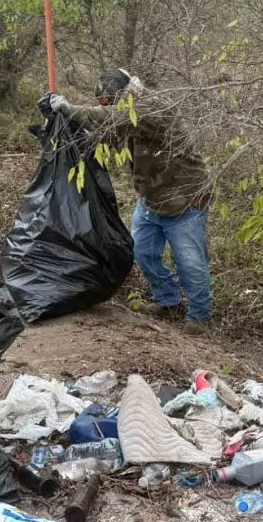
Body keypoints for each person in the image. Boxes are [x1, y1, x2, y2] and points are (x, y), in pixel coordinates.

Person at [44, 69, 212, 335]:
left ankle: (199, 317)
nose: (109, 107)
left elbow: (114, 118)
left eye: (111, 101)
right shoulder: (126, 115)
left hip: (185, 199)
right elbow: (105, 135)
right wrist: (60, 126)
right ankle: (167, 300)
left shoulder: (151, 108)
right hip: (151, 199)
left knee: (190, 263)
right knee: (143, 252)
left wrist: (70, 108)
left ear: (124, 95)